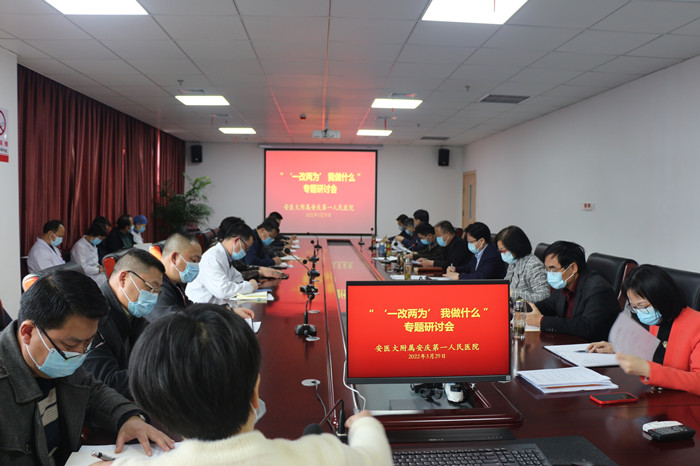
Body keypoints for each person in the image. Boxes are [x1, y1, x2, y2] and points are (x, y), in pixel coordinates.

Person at [112, 304, 392, 465]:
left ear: (155, 405)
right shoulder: (321, 456)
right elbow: (377, 457)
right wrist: (365, 425)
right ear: (255, 393)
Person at [0, 270, 173, 465]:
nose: (80, 354)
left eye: (88, 343)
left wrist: (128, 418)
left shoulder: (57, 358)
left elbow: (94, 392)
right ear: (28, 332)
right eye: (70, 345)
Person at [587, 265, 700, 396]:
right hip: (660, 396)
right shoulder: (658, 319)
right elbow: (657, 352)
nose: (640, 312)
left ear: (662, 298)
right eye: (634, 307)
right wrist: (618, 348)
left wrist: (649, 370)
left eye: (642, 306)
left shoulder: (696, 324)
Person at [83, 249, 165, 398]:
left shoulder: (132, 311)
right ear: (123, 278)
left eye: (157, 291)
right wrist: (162, 374)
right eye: (151, 288)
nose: (154, 296)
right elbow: (108, 382)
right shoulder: (93, 320)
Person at [527, 241, 620, 342]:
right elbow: (548, 305)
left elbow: (586, 327)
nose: (549, 274)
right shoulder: (565, 283)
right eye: (547, 269)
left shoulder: (598, 289)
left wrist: (542, 321)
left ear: (573, 268)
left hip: (592, 346)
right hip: (568, 342)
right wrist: (521, 309)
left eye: (553, 269)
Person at [186, 221, 259, 304]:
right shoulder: (212, 257)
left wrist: (242, 286)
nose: (245, 252)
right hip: (200, 307)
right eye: (246, 248)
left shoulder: (226, 256)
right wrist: (250, 286)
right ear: (237, 240)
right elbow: (223, 291)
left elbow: (238, 279)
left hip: (216, 306)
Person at [494, 225, 550, 302]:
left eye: (503, 251)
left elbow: (543, 296)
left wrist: (512, 293)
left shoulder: (533, 265)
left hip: (526, 309)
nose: (502, 254)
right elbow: (506, 287)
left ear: (515, 247)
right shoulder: (514, 261)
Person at [70, 219, 109, 286]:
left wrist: (98, 267)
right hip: (84, 275)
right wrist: (98, 270)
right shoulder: (80, 246)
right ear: (93, 235)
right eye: (100, 238)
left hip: (93, 273)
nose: (101, 240)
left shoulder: (93, 244)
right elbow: (82, 268)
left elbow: (93, 261)